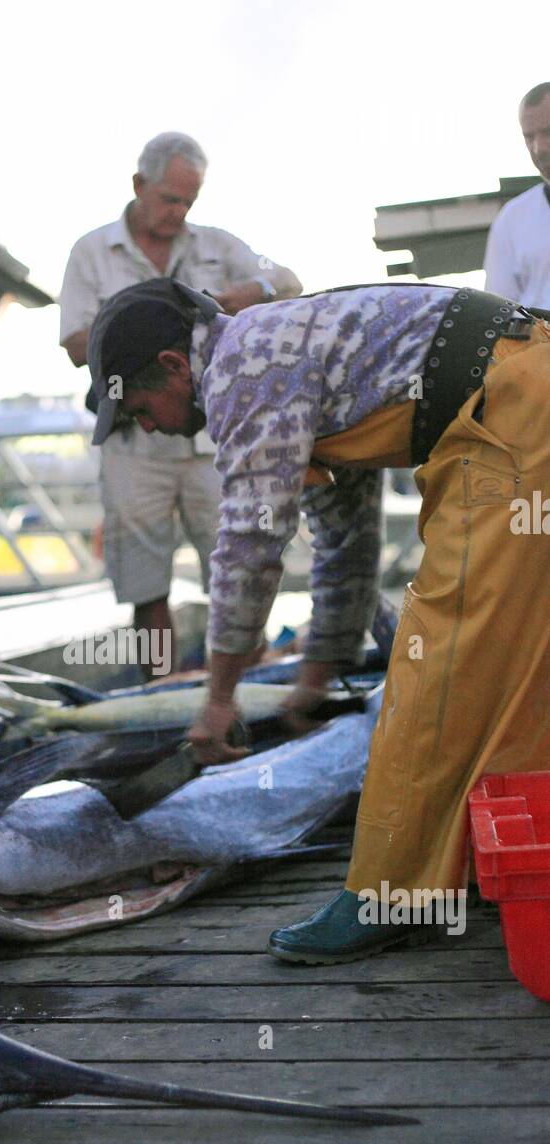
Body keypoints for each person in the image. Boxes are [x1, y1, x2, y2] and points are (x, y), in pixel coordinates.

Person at [86, 276, 550, 962]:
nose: (146, 425)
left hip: (514, 418)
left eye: (140, 408)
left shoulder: (243, 371)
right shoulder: (298, 358)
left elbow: (250, 546)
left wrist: (217, 701)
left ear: (177, 366)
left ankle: (394, 892)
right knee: (514, 666)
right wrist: (316, 675)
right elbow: (347, 544)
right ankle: (504, 865)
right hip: (529, 394)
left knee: (435, 658)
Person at [59, 132, 301, 678]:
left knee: (237, 560)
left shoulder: (219, 244)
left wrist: (253, 290)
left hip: (212, 434)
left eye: (189, 201)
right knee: (145, 578)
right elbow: (75, 343)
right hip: (132, 436)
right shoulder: (90, 251)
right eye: (170, 199)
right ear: (139, 185)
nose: (179, 212)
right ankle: (161, 691)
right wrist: (146, 319)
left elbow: (288, 282)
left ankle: (245, 687)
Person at [484, 82, 550, 307]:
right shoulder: (511, 219)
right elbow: (498, 312)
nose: (539, 148)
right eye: (529, 137)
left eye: (549, 132)